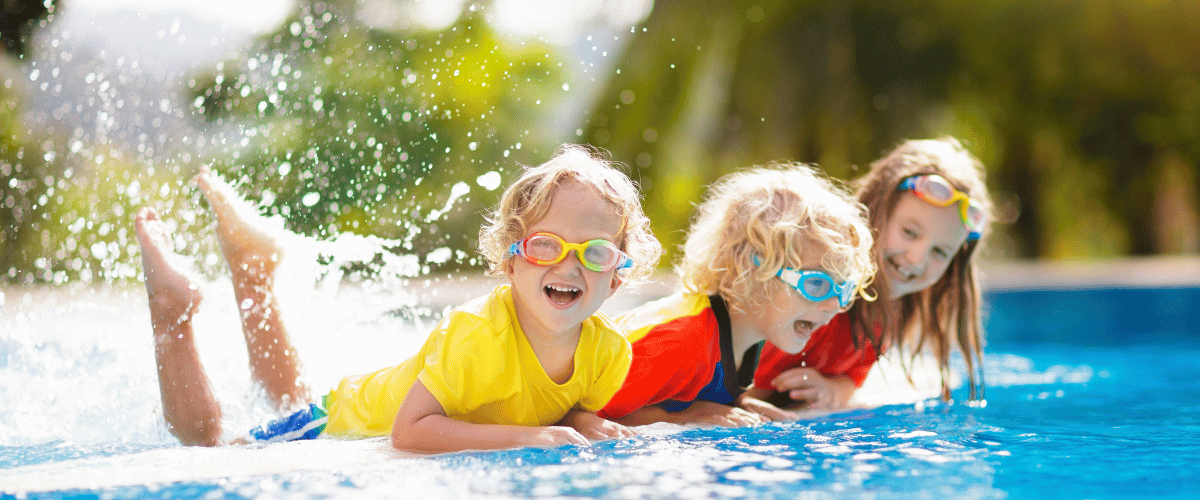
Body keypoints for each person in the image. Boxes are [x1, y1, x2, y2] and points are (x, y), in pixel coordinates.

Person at [135, 145, 662, 452]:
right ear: (510, 261)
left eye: (595, 253)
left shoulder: (609, 353)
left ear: (618, 275)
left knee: (287, 397)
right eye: (546, 245)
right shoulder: (477, 335)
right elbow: (409, 433)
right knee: (213, 448)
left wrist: (580, 422)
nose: (568, 265)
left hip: (360, 409)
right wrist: (527, 438)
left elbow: (560, 409)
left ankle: (254, 273)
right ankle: (173, 313)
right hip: (344, 421)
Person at [595, 164, 876, 426]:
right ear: (751, 270)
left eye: (844, 289)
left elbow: (687, 391)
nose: (835, 305)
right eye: (816, 284)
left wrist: (737, 404)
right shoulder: (681, 340)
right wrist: (688, 416)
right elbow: (587, 415)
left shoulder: (745, 338)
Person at [746, 137, 992, 414]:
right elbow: (740, 389)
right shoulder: (816, 290)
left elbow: (853, 378)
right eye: (909, 232)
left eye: (939, 252)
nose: (917, 258)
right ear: (873, 209)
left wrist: (834, 390)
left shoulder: (888, 311)